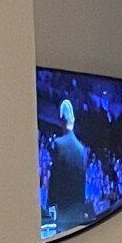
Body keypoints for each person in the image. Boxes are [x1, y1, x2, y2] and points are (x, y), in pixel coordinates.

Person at [46, 98, 92, 233]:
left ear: (61, 119)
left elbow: (55, 180)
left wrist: (50, 207)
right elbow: (82, 184)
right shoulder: (82, 149)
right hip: (77, 214)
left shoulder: (58, 144)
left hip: (62, 214)